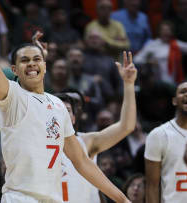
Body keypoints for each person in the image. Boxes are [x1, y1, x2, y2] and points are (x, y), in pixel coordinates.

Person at [0, 17, 131, 203]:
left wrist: (121, 199)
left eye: (36, 59)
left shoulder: (57, 105)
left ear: (45, 66)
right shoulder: (13, 97)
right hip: (20, 198)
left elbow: (81, 161)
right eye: (25, 60)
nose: (31, 63)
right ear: (14, 69)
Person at [54, 50, 137, 203]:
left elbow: (127, 126)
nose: (62, 116)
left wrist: (129, 84)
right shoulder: (38, 142)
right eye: (58, 111)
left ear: (73, 117)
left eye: (67, 111)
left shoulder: (86, 141)